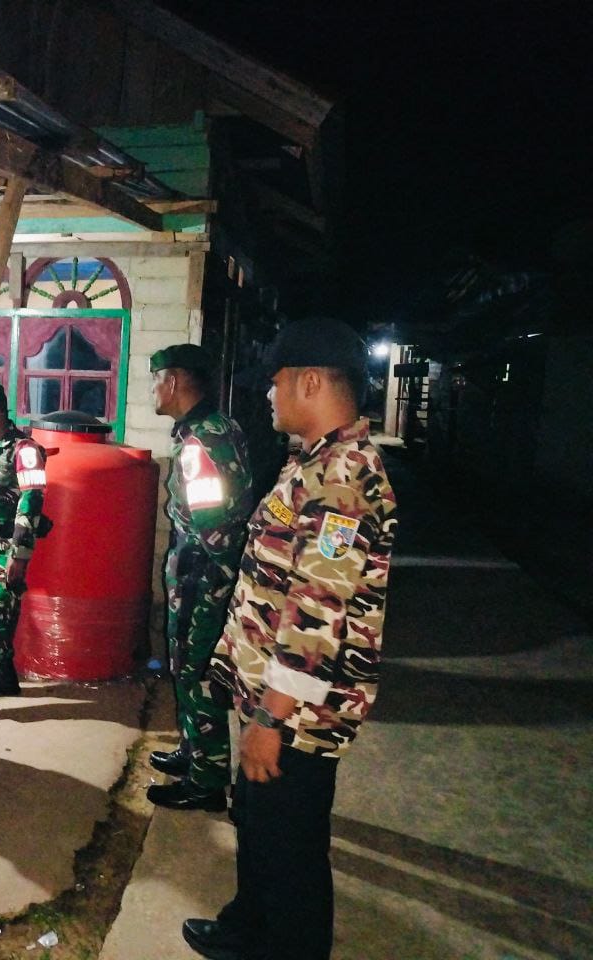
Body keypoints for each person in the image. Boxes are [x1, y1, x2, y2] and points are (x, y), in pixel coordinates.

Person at [185, 318, 398, 960]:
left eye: (275, 382)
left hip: (298, 712)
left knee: (290, 847)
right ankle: (249, 927)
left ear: (310, 383)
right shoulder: (311, 462)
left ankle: (286, 946)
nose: (268, 394)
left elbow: (316, 617)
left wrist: (271, 720)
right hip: (269, 694)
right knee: (257, 823)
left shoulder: (343, 479)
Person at [146, 344, 254, 811]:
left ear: (173, 382)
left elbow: (213, 526)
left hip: (202, 577)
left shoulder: (199, 444)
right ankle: (193, 752)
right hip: (203, 574)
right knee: (187, 669)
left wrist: (205, 583)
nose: (153, 391)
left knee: (197, 673)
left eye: (156, 380)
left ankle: (206, 781)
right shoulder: (219, 427)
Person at [0, 380, 47, 703]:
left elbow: (32, 501)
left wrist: (19, 555)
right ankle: (3, 677)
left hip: (6, 548)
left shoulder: (25, 450)